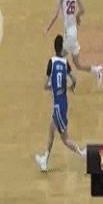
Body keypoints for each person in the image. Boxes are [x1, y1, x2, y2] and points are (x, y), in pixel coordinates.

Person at [35, 35, 87, 171]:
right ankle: (45, 160)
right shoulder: (65, 62)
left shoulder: (51, 62)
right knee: (51, 130)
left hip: (58, 105)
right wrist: (70, 87)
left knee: (65, 139)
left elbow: (45, 85)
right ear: (62, 47)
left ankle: (82, 154)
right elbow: (74, 79)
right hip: (63, 103)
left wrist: (54, 87)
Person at [45, 0, 102, 86]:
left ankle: (51, 80)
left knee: (58, 58)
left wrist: (48, 28)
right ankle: (96, 70)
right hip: (74, 31)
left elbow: (55, 14)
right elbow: (83, 9)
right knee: (77, 64)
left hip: (69, 34)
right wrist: (76, 17)